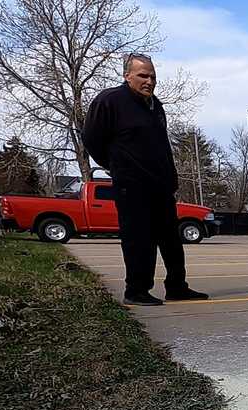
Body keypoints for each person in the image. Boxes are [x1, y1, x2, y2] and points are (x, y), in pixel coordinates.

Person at [82, 53, 208, 306]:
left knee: (171, 240)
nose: (149, 81)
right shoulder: (110, 101)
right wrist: (118, 166)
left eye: (152, 76)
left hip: (160, 186)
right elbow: (91, 139)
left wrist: (170, 179)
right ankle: (136, 290)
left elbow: (161, 146)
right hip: (132, 185)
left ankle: (177, 287)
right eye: (143, 75)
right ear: (127, 75)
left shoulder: (155, 105)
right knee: (139, 240)